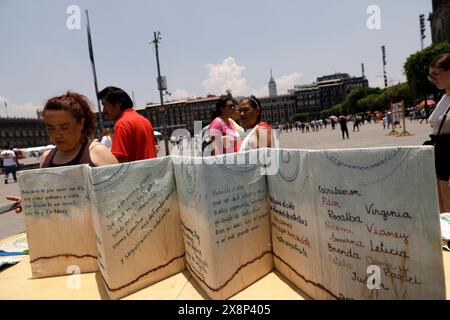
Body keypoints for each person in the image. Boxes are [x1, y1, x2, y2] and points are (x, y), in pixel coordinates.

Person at [6, 91, 118, 213]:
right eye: (51, 128)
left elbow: (121, 197)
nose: (57, 134)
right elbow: (49, 196)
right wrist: (31, 201)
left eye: (64, 127)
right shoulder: (46, 157)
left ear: (81, 123)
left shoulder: (97, 153)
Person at [98, 86, 157, 162]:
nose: (104, 111)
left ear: (118, 103)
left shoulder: (122, 124)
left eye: (105, 105)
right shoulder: (145, 121)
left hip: (136, 173)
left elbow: (119, 161)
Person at [428, 53, 450, 213]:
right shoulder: (444, 97)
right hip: (441, 156)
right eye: (430, 76)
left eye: (436, 74)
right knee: (443, 208)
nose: (433, 79)